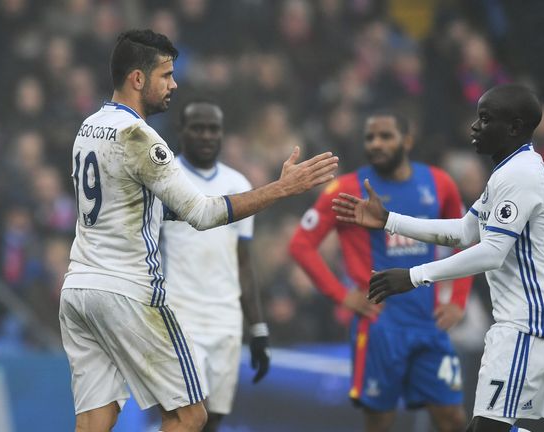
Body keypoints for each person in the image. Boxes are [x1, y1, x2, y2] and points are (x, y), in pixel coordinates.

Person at [59, 30, 337, 432]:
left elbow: (131, 205)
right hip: (128, 291)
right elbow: (203, 213)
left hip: (79, 289)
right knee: (191, 416)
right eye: (166, 75)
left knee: (93, 422)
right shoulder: (141, 138)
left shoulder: (89, 127)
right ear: (138, 79)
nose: (173, 84)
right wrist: (282, 188)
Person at [333, 84, 544, 432]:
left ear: (514, 127)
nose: (474, 127)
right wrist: (389, 220)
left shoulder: (520, 175)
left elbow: (492, 253)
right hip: (525, 324)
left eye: (485, 119)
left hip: (532, 326)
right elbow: (465, 231)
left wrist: (414, 275)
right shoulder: (508, 172)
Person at [289, 111, 472, 432]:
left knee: (453, 419)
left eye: (386, 136)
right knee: (380, 423)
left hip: (430, 325)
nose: (376, 144)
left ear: (408, 140)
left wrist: (458, 299)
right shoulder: (345, 188)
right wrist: (343, 295)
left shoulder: (439, 183)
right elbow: (301, 245)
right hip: (379, 328)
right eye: (370, 137)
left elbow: (466, 239)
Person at [160, 100, 269, 432]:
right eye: (198, 128)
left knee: (214, 419)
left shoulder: (238, 185)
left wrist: (258, 327)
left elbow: (243, 261)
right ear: (181, 132)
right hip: (179, 315)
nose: (206, 136)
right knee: (186, 417)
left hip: (226, 319)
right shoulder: (163, 180)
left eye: (213, 129)